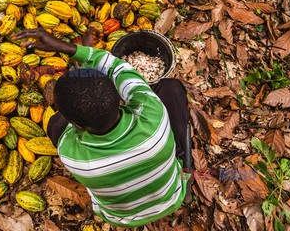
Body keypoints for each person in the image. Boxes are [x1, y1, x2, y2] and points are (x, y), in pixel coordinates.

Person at [13, 27, 190, 228]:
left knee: (55, 124)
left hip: (121, 217)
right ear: (120, 97)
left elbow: (73, 120)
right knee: (171, 88)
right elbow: (116, 67)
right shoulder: (154, 114)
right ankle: (182, 154)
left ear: (77, 126)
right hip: (171, 198)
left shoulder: (74, 158)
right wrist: (70, 48)